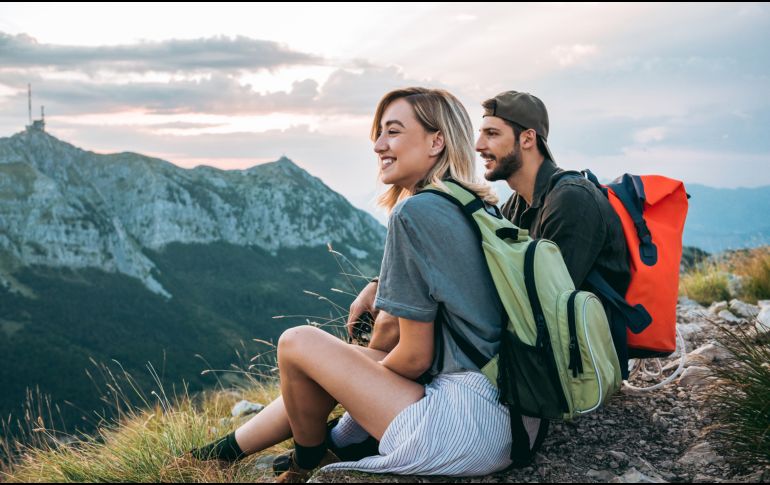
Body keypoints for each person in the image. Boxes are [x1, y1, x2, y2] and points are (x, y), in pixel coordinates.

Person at [191, 87, 543, 481]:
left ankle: (304, 463)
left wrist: (350, 391)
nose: (378, 145)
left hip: (464, 426)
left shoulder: (416, 210)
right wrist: (354, 376)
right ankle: (216, 454)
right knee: (330, 363)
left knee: (297, 343)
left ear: (436, 141)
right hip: (512, 420)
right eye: (378, 134)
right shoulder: (478, 206)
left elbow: (414, 359)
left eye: (392, 132)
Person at [476, 90, 633, 374]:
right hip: (551, 347)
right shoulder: (518, 204)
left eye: (492, 134)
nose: (478, 145)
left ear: (527, 139)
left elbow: (548, 301)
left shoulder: (571, 199)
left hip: (582, 364)